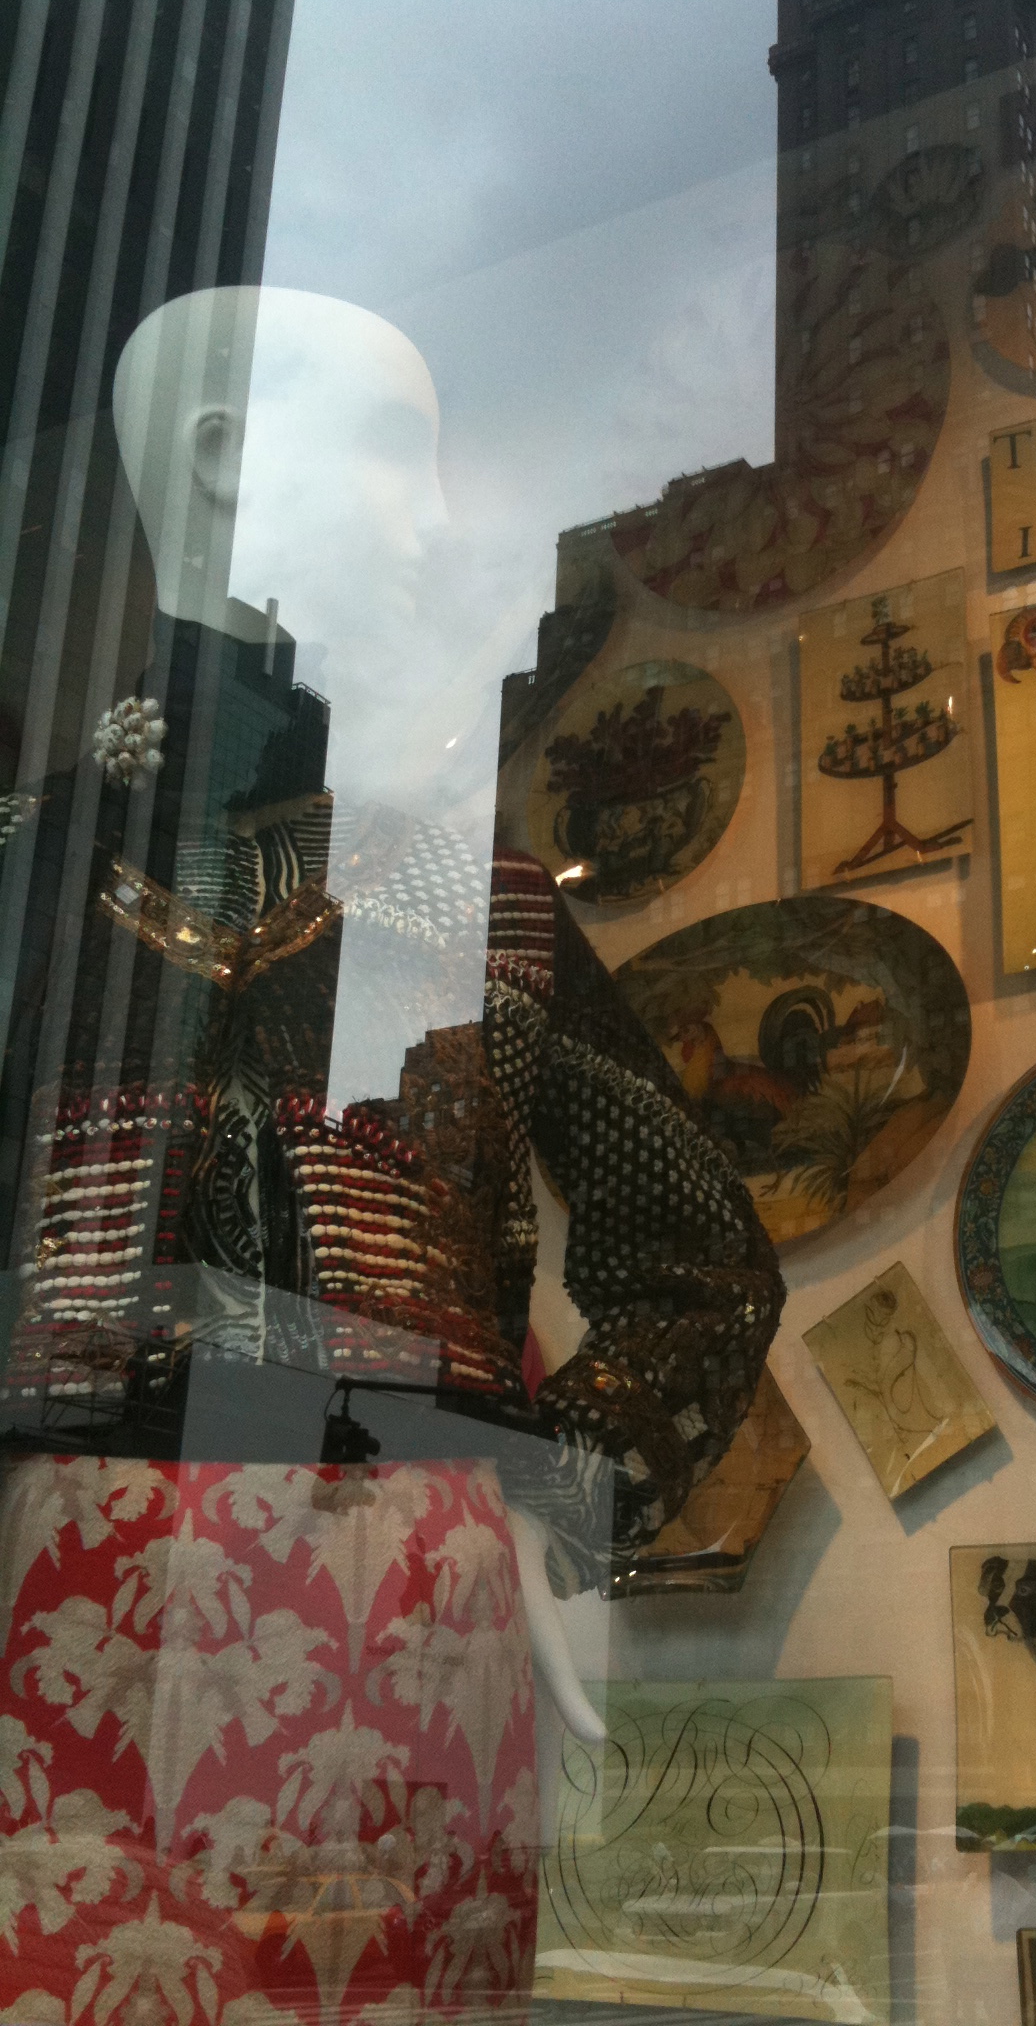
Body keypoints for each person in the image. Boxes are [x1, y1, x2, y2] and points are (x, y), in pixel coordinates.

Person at [0, 288, 783, 2024]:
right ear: (224, 460)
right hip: (48, 1601)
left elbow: (698, 1258)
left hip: (401, 1599)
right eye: (392, 457)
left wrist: (541, 1495)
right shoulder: (28, 877)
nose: (436, 522)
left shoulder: (465, 895)